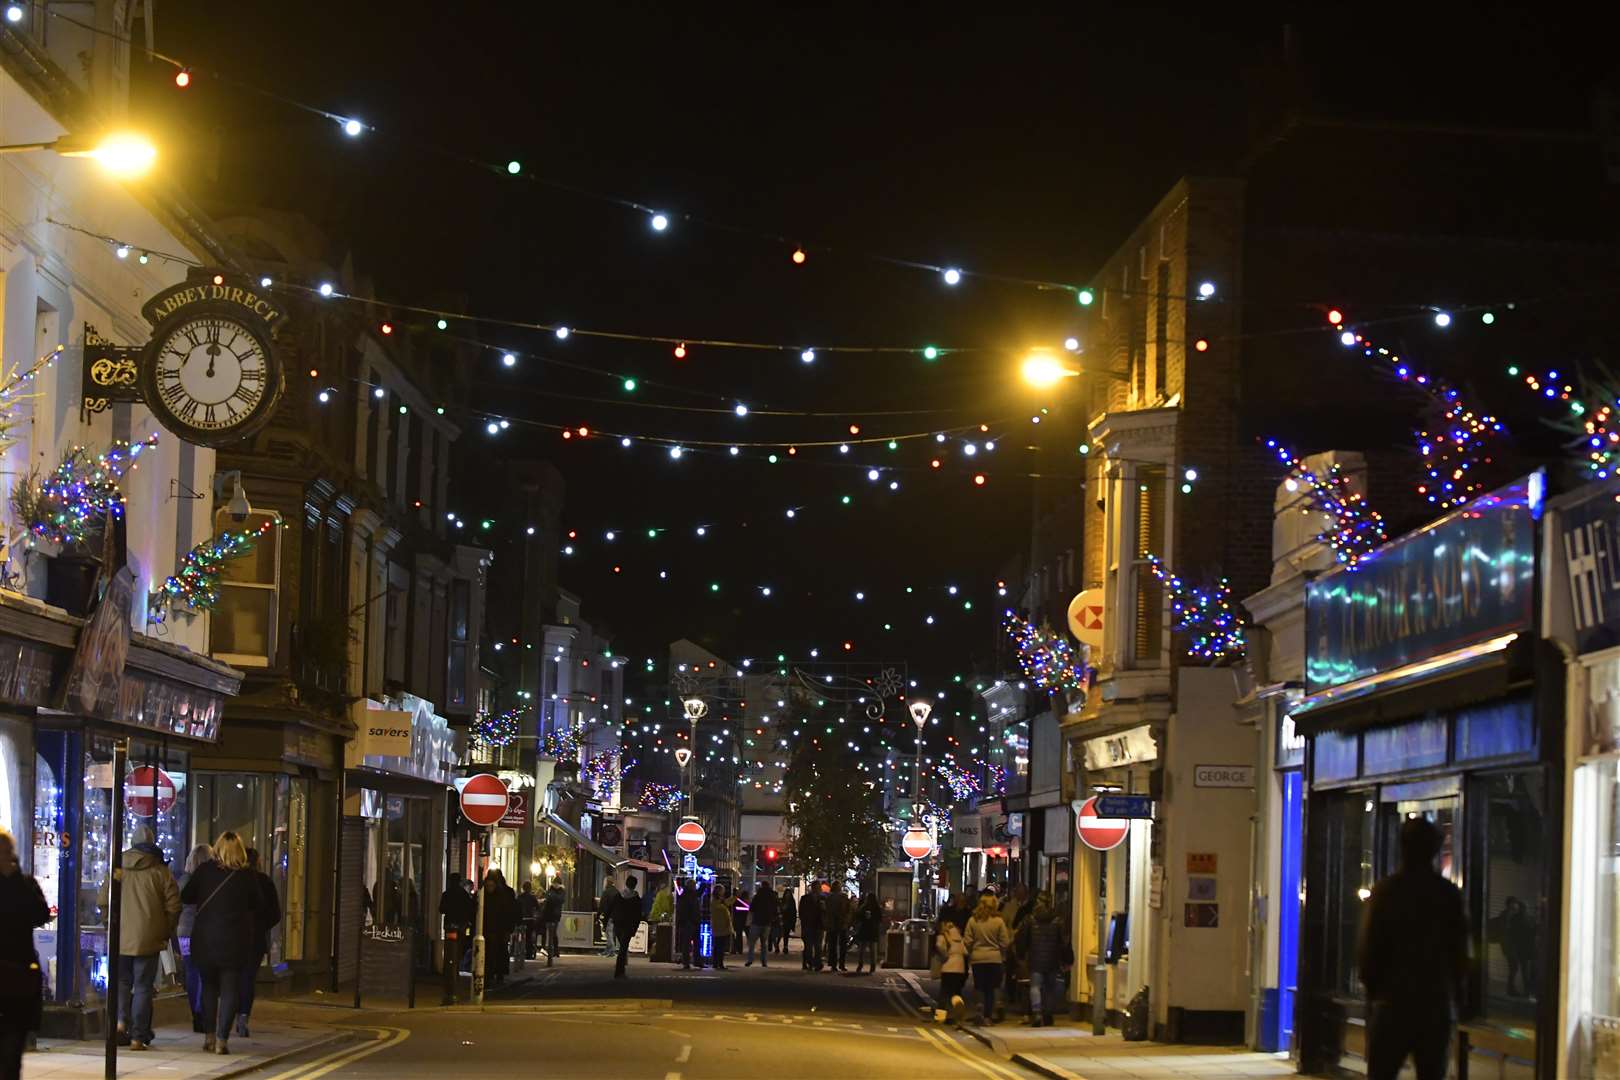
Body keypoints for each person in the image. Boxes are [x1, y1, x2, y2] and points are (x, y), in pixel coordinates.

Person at [1357, 817, 1469, 1080]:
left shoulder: (1385, 892)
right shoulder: (1447, 894)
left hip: (1392, 1003)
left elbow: (1368, 948)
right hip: (1434, 1004)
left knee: (1382, 1073)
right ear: (1434, 850)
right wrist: (1456, 996)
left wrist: (1374, 993)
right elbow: (1460, 953)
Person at [182, 831, 271, 1055]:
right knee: (231, 988)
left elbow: (186, 896)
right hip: (235, 941)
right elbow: (259, 905)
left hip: (206, 940)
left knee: (209, 987)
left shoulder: (204, 871)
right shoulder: (247, 876)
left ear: (218, 849)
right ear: (239, 851)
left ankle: (209, 1037)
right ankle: (222, 1040)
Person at [100, 825, 179, 1051]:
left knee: (122, 983)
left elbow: (103, 900)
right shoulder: (160, 871)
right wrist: (165, 930)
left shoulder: (118, 868)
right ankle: (138, 1037)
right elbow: (174, 905)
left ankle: (120, 1022)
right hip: (148, 938)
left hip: (120, 937)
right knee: (143, 987)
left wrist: (110, 925)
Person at [0, 828, 51, 1080]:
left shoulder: (24, 884)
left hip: (17, 975)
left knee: (12, 1051)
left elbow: (40, 914)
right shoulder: (23, 884)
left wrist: (17, 879)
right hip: (16, 973)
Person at [235, 849, 281, 1039]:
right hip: (255, 939)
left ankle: (228, 1016)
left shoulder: (233, 880)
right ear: (258, 861)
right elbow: (275, 914)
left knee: (233, 977)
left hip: (234, 937)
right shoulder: (265, 882)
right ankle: (243, 1016)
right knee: (248, 978)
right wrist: (261, 926)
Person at [176, 843, 212, 1033]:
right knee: (203, 973)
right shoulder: (209, 881)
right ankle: (200, 1011)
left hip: (184, 932)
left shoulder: (184, 880)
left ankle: (195, 1013)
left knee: (190, 971)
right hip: (203, 933)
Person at [1018, 895, 1067, 1027]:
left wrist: (1021, 955)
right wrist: (1066, 959)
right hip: (1053, 959)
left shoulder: (1030, 920)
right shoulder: (1057, 920)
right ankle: (1048, 1013)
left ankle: (1037, 1012)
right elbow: (1063, 942)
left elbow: (1022, 939)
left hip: (1035, 959)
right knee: (1051, 988)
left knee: (1035, 986)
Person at [964, 893, 1012, 1025]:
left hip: (978, 958)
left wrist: (970, 952)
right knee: (991, 989)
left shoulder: (973, 920)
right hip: (994, 958)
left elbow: (967, 941)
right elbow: (1005, 942)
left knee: (979, 986)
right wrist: (1001, 951)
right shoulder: (998, 921)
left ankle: (979, 1007)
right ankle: (987, 1017)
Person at [483, 870, 519, 986]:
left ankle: (492, 974)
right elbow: (512, 911)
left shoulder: (488, 893)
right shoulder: (506, 893)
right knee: (499, 950)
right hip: (498, 928)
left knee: (492, 951)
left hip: (493, 928)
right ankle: (498, 974)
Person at [934, 913, 968, 1024]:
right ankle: (958, 1004)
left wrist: (944, 955)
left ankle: (940, 1016)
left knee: (944, 991)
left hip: (948, 967)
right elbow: (965, 952)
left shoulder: (943, 935)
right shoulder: (958, 936)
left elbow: (939, 946)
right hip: (960, 968)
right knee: (956, 991)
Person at [439, 872, 475, 974]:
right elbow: (470, 910)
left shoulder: (446, 894)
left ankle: (448, 966)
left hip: (450, 924)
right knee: (459, 946)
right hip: (460, 925)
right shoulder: (464, 895)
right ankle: (457, 965)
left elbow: (441, 909)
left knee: (449, 946)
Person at [611, 875, 643, 978]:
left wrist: (608, 919)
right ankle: (619, 971)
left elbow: (611, 908)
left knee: (622, 947)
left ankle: (620, 970)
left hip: (618, 925)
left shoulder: (618, 895)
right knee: (623, 948)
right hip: (628, 926)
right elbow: (638, 914)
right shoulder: (636, 898)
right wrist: (635, 927)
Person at [746, 884, 777, 967]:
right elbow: (775, 908)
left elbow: (752, 908)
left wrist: (749, 920)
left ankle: (750, 959)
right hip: (767, 922)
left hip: (757, 921)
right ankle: (764, 961)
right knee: (764, 943)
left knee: (752, 942)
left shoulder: (757, 896)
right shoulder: (772, 897)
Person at [851, 894, 882, 975]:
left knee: (862, 948)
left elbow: (858, 916)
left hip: (865, 929)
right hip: (872, 929)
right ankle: (872, 966)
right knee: (872, 949)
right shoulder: (877, 908)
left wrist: (865, 917)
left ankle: (861, 965)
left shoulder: (864, 907)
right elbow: (879, 919)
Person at [675, 878, 700, 969]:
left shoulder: (684, 895)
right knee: (691, 943)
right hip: (690, 922)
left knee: (688, 943)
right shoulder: (690, 895)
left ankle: (688, 962)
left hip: (689, 922)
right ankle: (692, 961)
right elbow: (691, 909)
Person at [824, 886, 851, 972]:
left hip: (832, 924)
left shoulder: (829, 898)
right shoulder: (844, 897)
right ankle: (841, 964)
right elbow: (848, 910)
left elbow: (826, 910)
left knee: (833, 945)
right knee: (842, 945)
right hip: (842, 923)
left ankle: (833, 964)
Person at [707, 883, 732, 968]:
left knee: (718, 946)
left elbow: (727, 903)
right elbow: (723, 907)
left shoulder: (718, 901)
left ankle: (717, 963)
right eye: (722, 890)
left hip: (719, 926)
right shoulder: (716, 902)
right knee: (719, 946)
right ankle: (718, 963)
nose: (723, 892)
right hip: (720, 925)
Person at [799, 885, 824, 970]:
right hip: (809, 925)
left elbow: (824, 912)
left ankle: (816, 963)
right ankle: (810, 962)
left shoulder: (822, 899)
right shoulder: (805, 898)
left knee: (817, 946)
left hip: (818, 925)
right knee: (809, 946)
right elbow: (801, 912)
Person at [540, 881, 565, 965]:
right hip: (548, 914)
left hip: (555, 915)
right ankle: (549, 950)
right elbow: (549, 899)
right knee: (549, 932)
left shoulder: (560, 891)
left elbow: (560, 900)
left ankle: (555, 951)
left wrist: (551, 896)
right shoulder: (550, 891)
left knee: (553, 933)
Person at [597, 879, 621, 958]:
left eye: (604, 882)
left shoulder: (606, 892)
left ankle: (612, 951)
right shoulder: (617, 892)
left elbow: (602, 905)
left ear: (607, 883)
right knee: (611, 933)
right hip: (617, 915)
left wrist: (598, 916)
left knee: (609, 933)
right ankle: (608, 950)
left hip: (609, 915)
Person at [518, 881, 542, 960]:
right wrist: (536, 915)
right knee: (529, 937)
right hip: (530, 919)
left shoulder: (520, 897)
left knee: (519, 935)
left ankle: (518, 951)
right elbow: (538, 908)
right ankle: (528, 954)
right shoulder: (532, 897)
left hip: (521, 919)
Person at [776, 885, 796, 954]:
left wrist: (793, 922)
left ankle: (785, 946)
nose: (788, 896)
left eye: (789, 894)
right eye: (787, 894)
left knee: (785, 934)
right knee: (780, 934)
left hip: (788, 920)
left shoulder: (792, 903)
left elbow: (794, 912)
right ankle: (777, 945)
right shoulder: (782, 901)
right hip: (782, 919)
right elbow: (780, 910)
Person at [730, 888, 748, 955]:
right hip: (740, 920)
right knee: (738, 934)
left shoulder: (736, 900)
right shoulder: (739, 900)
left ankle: (735, 948)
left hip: (737, 919)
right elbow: (747, 908)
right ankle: (738, 949)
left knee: (736, 934)